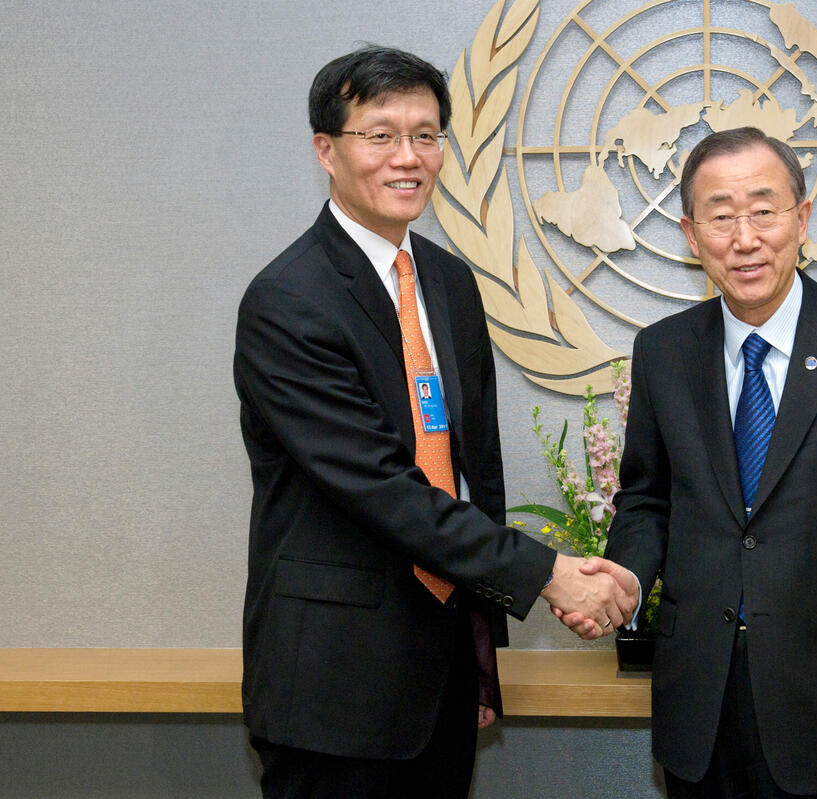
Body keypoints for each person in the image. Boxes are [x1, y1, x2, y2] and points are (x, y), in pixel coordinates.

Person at [233, 46, 636, 798]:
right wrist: (547, 574)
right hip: (334, 690)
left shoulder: (449, 282)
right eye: (380, 134)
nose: (408, 156)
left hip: (444, 678)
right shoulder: (288, 301)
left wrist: (481, 652)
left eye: (426, 135)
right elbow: (383, 489)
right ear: (326, 149)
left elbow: (473, 474)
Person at [569, 127, 817, 797]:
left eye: (764, 211)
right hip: (703, 703)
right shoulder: (663, 352)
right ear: (692, 236)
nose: (744, 238)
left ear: (802, 219)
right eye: (720, 216)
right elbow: (648, 500)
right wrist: (626, 576)